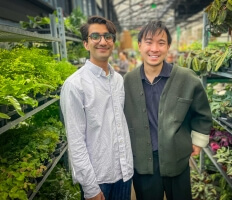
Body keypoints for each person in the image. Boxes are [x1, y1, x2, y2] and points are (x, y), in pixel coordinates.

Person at [124, 21, 212, 200]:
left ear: (168, 47)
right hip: (143, 163)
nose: (154, 49)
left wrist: (197, 141)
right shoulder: (127, 82)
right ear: (139, 45)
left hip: (177, 158)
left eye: (161, 43)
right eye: (149, 42)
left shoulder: (187, 79)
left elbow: (202, 112)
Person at [60, 16, 133, 200]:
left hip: (124, 174)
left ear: (113, 43)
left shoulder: (118, 79)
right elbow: (76, 140)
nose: (103, 41)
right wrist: (90, 187)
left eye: (107, 37)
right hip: (98, 179)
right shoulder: (75, 85)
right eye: (95, 36)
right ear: (86, 44)